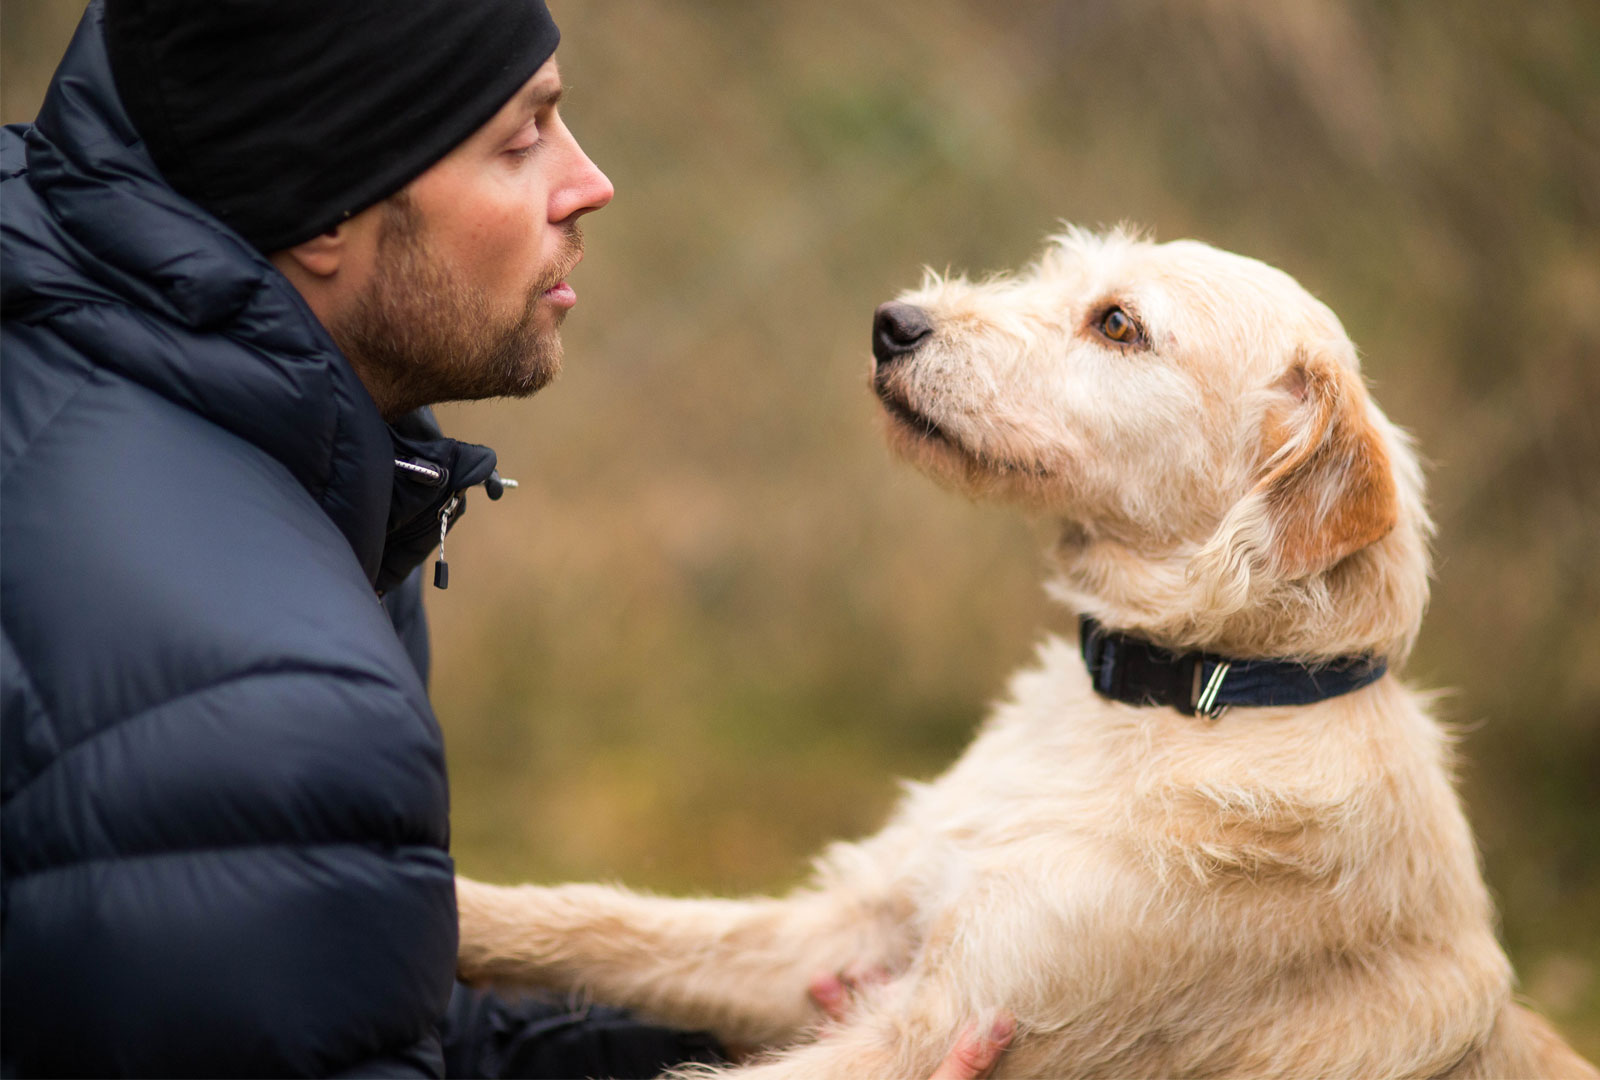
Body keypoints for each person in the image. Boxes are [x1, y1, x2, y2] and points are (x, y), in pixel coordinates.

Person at [0, 2, 1012, 1077]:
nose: (588, 183)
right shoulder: (268, 712)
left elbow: (342, 1018)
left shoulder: (120, 372)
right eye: (519, 141)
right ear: (322, 204)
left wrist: (729, 1043)